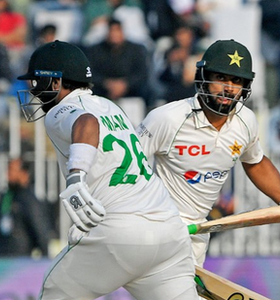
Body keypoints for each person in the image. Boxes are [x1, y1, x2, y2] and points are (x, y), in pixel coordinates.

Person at [16, 40, 198, 300]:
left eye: (36, 82)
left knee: (52, 292)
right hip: (169, 231)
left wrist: (76, 176)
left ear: (56, 83)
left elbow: (86, 122)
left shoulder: (59, 112)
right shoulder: (110, 105)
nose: (32, 89)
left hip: (121, 232)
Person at [136, 39, 280, 268]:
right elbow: (128, 163)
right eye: (221, 78)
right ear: (204, 77)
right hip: (156, 227)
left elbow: (255, 162)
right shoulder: (167, 118)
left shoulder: (245, 120)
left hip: (196, 231)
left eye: (237, 81)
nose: (229, 88)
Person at [0, 157, 53, 257]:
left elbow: (40, 232)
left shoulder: (29, 200)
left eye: (13, 170)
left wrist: (45, 260)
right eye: (8, 170)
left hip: (17, 262)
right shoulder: (6, 197)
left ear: (24, 174)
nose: (8, 175)